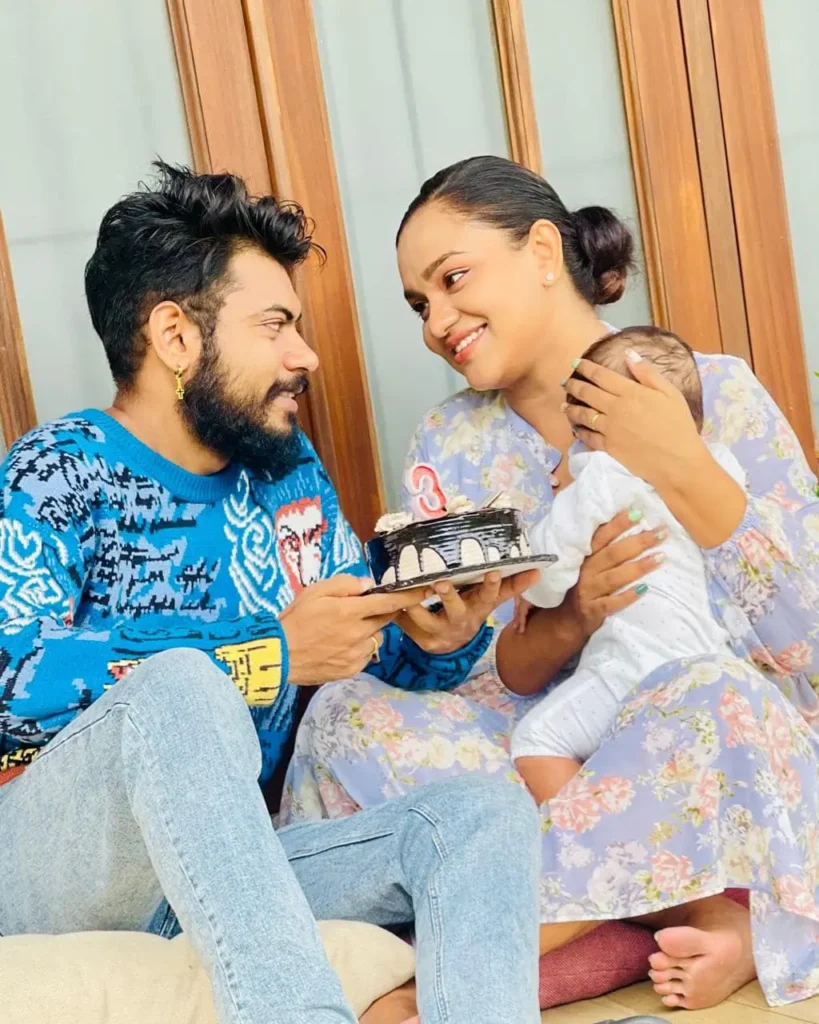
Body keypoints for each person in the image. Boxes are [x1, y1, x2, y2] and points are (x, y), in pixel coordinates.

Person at [0, 162, 547, 1024]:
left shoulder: (283, 469)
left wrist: (441, 637)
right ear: (175, 336)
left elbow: (357, 643)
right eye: (275, 326)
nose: (305, 356)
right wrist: (270, 652)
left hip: (222, 868)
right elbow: (13, 681)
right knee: (180, 687)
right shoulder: (59, 469)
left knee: (478, 816)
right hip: (56, 865)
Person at [283, 155, 819, 1017]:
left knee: (712, 695)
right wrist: (532, 622)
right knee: (347, 712)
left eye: (452, 280)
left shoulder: (711, 389)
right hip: (554, 746)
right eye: (419, 305)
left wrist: (681, 462)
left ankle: (494, 961)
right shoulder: (449, 440)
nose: (436, 322)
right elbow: (511, 676)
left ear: (540, 250)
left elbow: (805, 641)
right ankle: (699, 912)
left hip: (709, 729)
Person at [511, 326, 746, 804]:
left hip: (634, 671)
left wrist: (528, 590)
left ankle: (608, 838)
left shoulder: (602, 476)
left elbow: (549, 563)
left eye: (578, 433)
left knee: (536, 742)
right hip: (715, 669)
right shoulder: (722, 466)